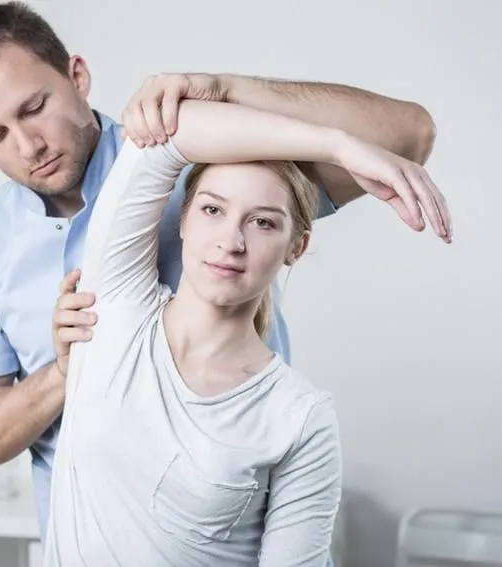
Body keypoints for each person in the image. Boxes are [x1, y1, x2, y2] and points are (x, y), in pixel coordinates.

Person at [0, 0, 450, 551]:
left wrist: (219, 89)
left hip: (227, 524)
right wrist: (62, 373)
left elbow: (407, 134)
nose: (28, 145)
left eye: (34, 107)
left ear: (77, 76)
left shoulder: (212, 170)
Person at [42, 97, 449, 565]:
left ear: (297, 246)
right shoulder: (114, 306)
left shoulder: (299, 417)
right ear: (185, 220)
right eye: (213, 211)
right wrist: (337, 146)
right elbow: (167, 133)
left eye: (262, 223)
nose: (231, 242)